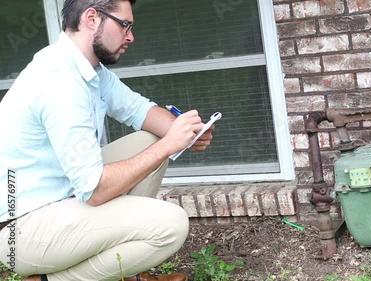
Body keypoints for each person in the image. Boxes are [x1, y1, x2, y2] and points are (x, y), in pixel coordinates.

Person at [0, 0, 215, 280]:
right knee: (171, 224)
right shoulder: (58, 82)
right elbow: (96, 189)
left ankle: (127, 273)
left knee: (149, 138)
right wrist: (169, 144)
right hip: (21, 231)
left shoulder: (86, 69)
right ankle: (46, 279)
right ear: (91, 18)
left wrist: (186, 133)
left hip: (60, 201)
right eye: (125, 25)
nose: (130, 36)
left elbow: (140, 110)